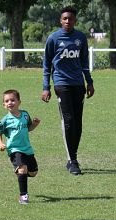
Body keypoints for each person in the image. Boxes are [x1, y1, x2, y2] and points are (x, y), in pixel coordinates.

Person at [41, 6, 95, 175]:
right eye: (65, 18)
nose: (67, 21)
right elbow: (46, 65)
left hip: (78, 84)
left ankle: (74, 157)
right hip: (61, 83)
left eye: (70, 19)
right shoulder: (53, 38)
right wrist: (46, 87)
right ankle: (72, 160)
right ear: (60, 20)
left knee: (78, 124)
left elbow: (84, 62)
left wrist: (90, 82)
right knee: (68, 120)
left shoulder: (80, 38)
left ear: (75, 21)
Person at [0, 90, 41, 204]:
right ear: (4, 105)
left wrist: (34, 124)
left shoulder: (25, 115)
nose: (10, 102)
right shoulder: (4, 121)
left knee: (33, 173)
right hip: (14, 149)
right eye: (7, 101)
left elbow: (28, 128)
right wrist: (0, 144)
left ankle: (20, 173)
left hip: (27, 148)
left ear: (19, 102)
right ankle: (23, 196)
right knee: (23, 168)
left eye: (12, 100)